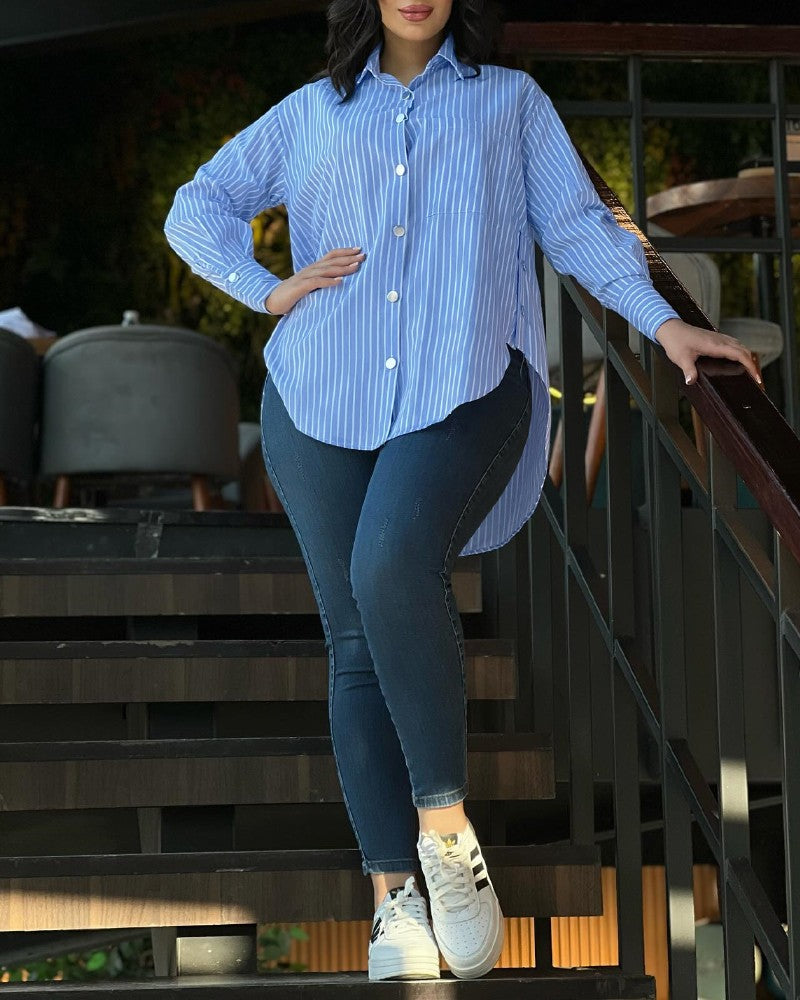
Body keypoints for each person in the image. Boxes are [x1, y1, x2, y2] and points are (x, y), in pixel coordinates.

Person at [163, 0, 763, 983]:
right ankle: (391, 899)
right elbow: (196, 204)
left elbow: (577, 227)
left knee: (390, 562)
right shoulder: (312, 112)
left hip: (469, 383)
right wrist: (264, 287)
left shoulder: (509, 103)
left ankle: (444, 831)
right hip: (317, 395)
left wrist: (665, 326)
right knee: (355, 643)